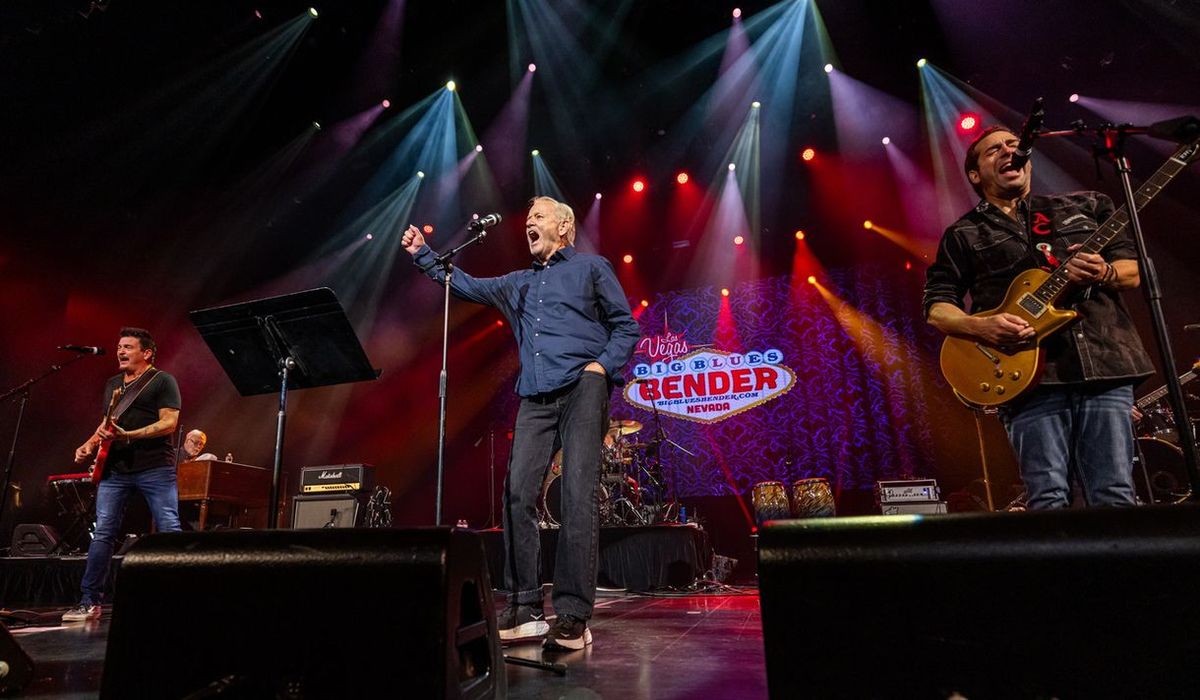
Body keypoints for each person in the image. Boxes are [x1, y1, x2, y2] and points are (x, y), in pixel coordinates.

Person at [402, 196, 640, 650]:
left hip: (584, 386)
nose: (529, 222)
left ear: (564, 226)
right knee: (516, 494)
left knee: (577, 495)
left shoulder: (591, 268)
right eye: (528, 217)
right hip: (535, 394)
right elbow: (465, 284)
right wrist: (423, 255)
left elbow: (626, 326)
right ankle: (526, 607)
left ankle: (572, 615)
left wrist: (601, 367)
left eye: (539, 216)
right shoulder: (518, 283)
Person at [923, 125, 1154, 509]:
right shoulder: (963, 234)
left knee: (1114, 493)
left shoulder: (1086, 205)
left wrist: (1104, 272)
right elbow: (936, 306)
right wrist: (981, 325)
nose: (1008, 151)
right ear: (975, 175)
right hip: (1028, 377)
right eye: (993, 150)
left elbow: (1131, 271)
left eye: (1013, 145)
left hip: (1103, 363)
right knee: (1047, 497)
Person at [63, 327, 182, 622]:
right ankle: (89, 601)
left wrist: (129, 435)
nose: (120, 351)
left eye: (128, 347)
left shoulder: (162, 380)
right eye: (119, 347)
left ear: (147, 353)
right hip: (116, 471)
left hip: (155, 467)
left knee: (168, 527)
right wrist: (89, 444)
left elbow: (169, 423)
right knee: (103, 532)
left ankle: (180, 596)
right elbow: (107, 423)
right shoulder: (113, 384)